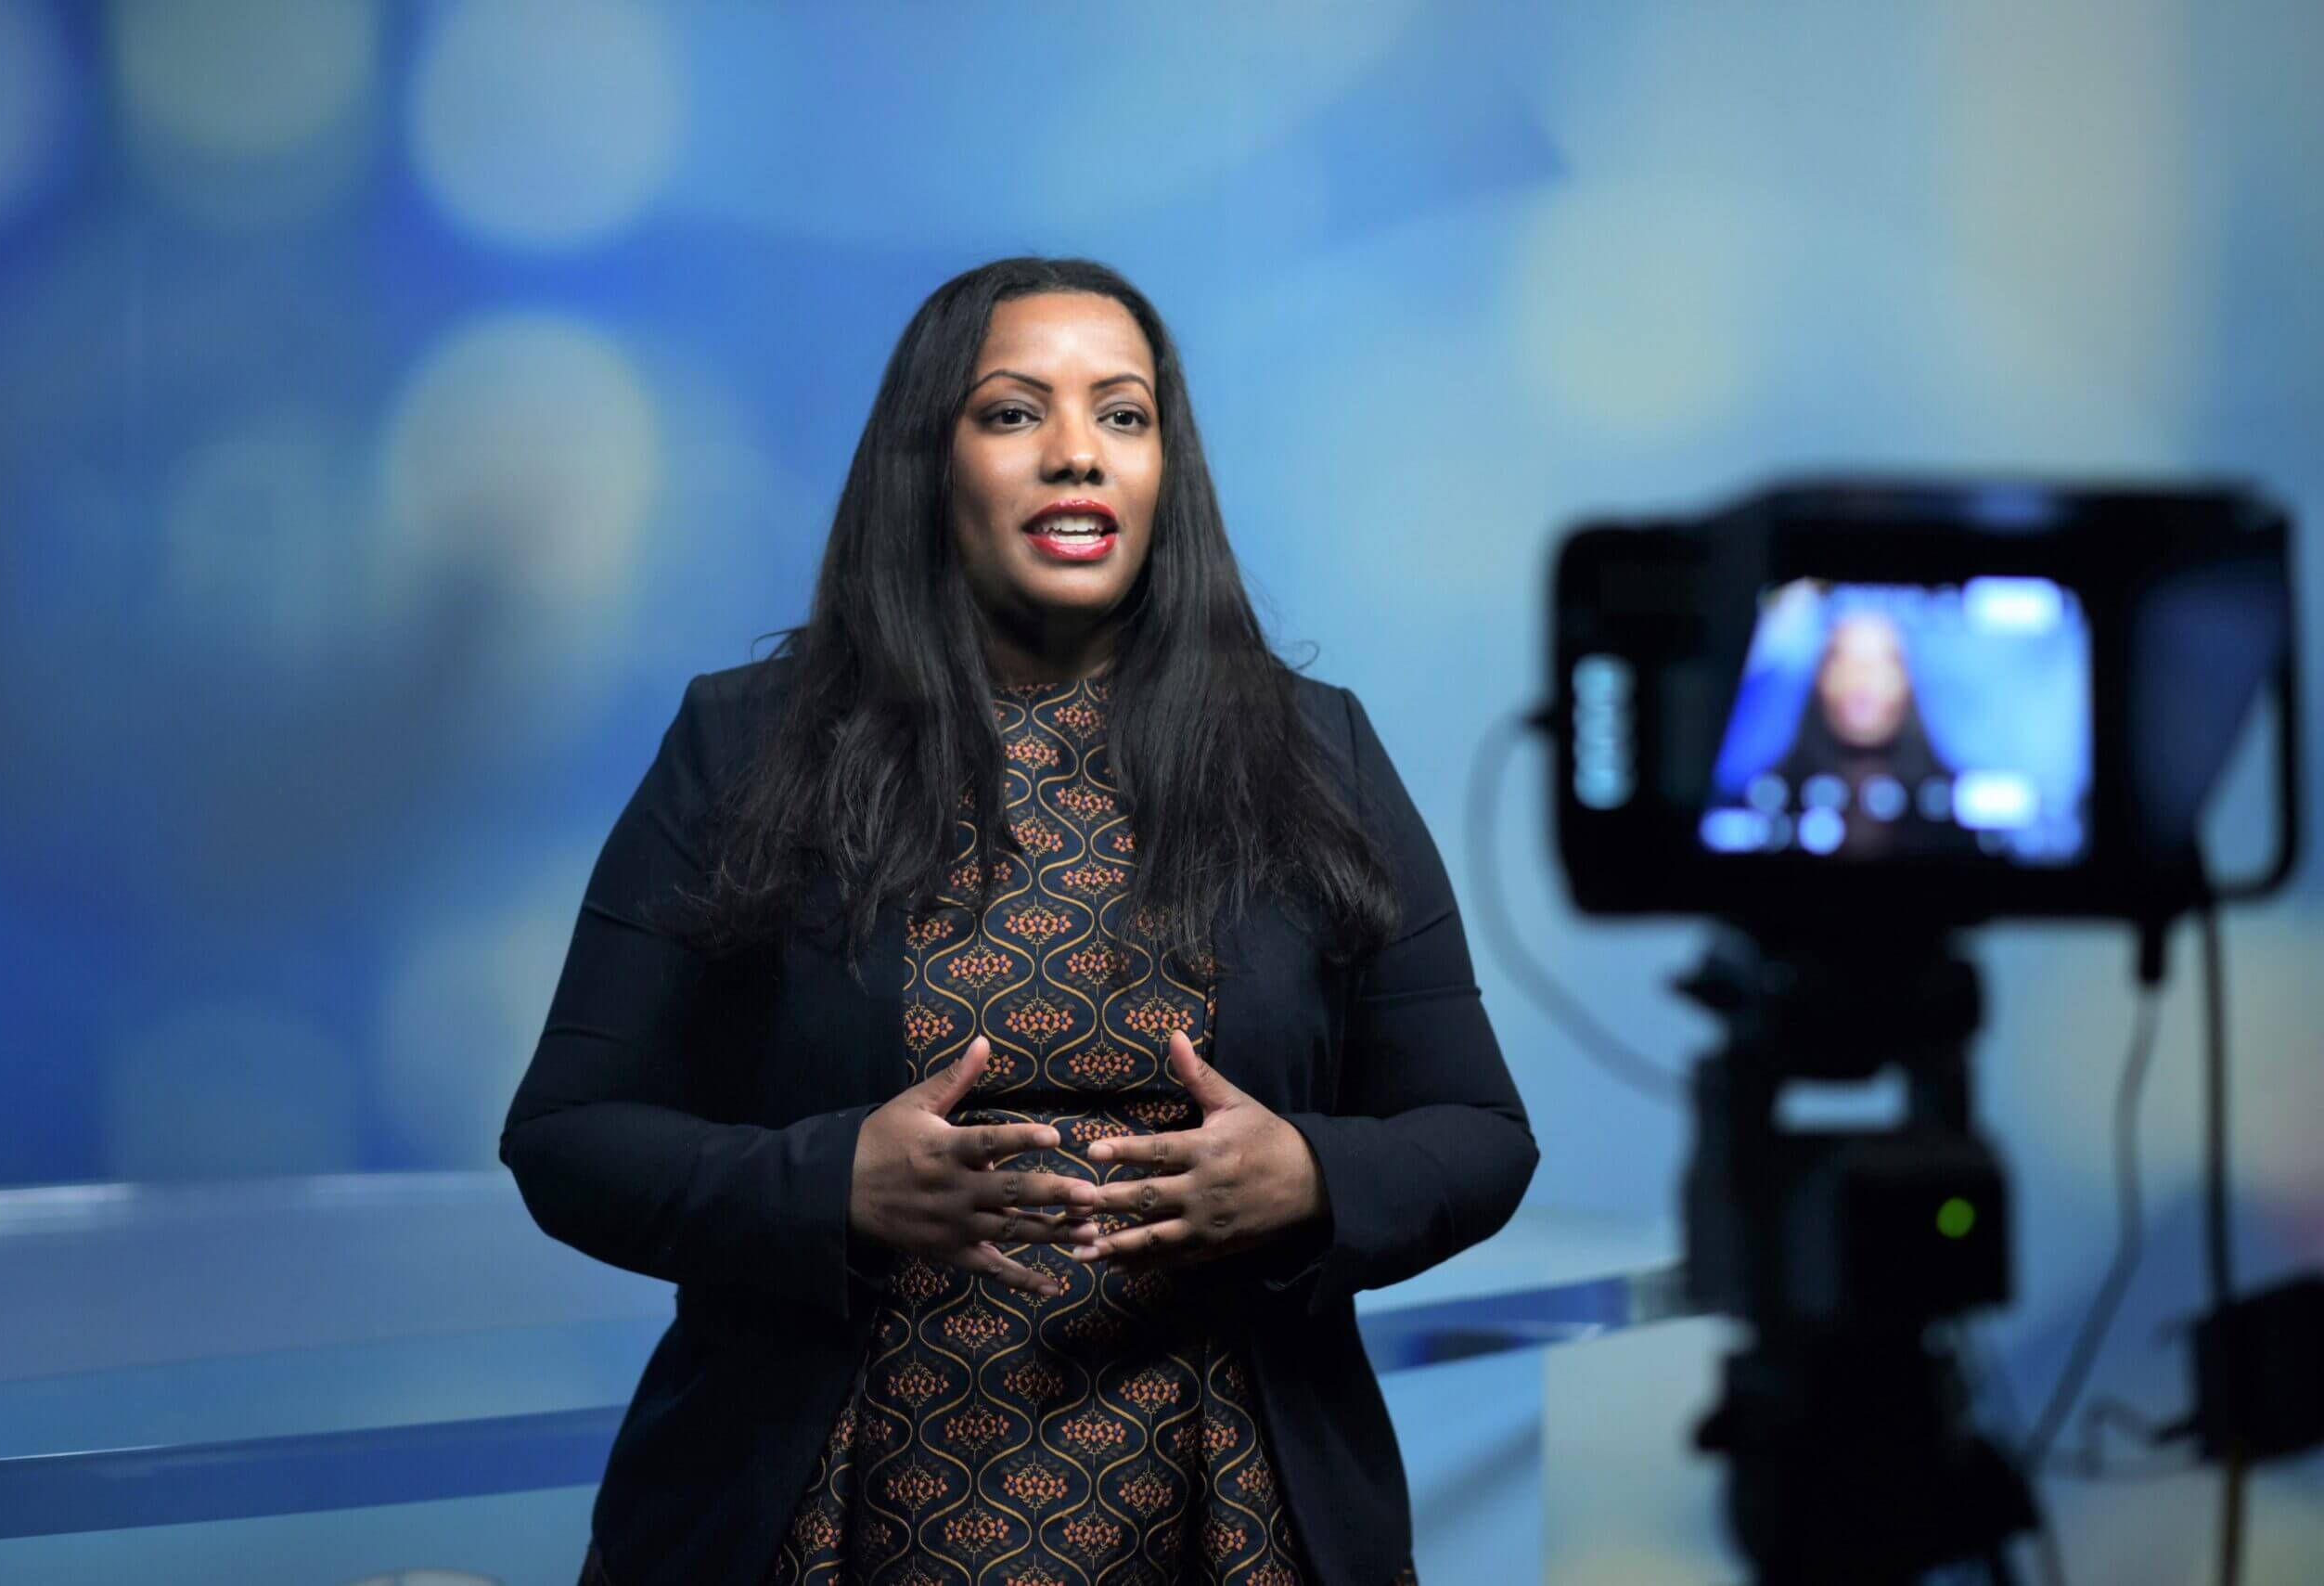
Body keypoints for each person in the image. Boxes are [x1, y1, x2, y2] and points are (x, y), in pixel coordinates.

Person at [503, 256, 1538, 1586]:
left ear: (1168, 468)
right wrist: (833, 1182)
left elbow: (1478, 1134)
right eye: (1011, 413)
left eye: (1122, 414)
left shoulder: (1311, 750)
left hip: (1226, 1523)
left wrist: (1307, 1182)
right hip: (835, 1516)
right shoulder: (747, 744)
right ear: (925, 464)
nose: (1075, 457)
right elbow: (569, 1134)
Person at [1765, 608, 1968, 858]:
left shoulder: (1959, 805)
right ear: (1819, 676)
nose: (1861, 678)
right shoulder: (1765, 798)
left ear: (1908, 680)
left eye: (1882, 661)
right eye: (1843, 660)